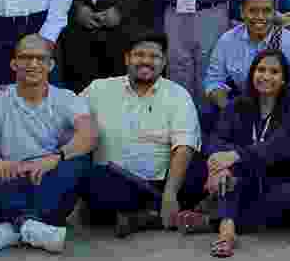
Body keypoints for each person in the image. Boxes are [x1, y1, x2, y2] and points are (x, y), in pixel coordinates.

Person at [0, 35, 95, 252]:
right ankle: (32, 227)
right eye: (25, 58)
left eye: (40, 58)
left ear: (51, 65)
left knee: (78, 159)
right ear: (14, 64)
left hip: (48, 179)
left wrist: (55, 158)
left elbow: (89, 136)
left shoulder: (67, 98)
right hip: (9, 176)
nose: (33, 64)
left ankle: (14, 228)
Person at [82, 31, 207, 238]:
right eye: (139, 55)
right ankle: (158, 215)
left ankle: (139, 216)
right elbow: (69, 117)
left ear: (164, 62)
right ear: (127, 58)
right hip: (117, 181)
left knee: (200, 169)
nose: (146, 61)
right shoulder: (99, 89)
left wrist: (170, 192)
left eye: (154, 56)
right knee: (87, 177)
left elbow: (184, 145)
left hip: (163, 182)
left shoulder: (177, 94)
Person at [201, 45, 290, 256]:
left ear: (284, 79)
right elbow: (215, 139)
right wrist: (218, 164)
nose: (266, 76)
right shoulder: (237, 105)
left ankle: (211, 219)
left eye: (274, 72)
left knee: (287, 199)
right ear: (252, 74)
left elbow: (280, 148)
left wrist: (234, 156)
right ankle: (226, 231)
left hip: (278, 181)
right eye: (260, 70)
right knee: (231, 175)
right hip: (242, 179)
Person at [207, 0, 290, 112]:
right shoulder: (228, 40)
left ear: (275, 13)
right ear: (242, 12)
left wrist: (268, 111)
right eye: (253, 11)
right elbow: (213, 80)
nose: (260, 17)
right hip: (242, 109)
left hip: (282, 110)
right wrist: (228, 109)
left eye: (266, 11)